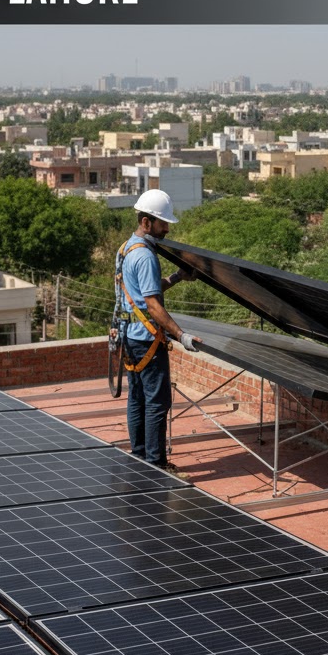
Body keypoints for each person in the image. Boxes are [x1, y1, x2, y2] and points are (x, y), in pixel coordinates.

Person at [115, 188, 202, 474]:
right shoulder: (146, 257)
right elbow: (152, 305)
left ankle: (140, 455)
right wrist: (181, 335)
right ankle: (156, 463)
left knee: (137, 398)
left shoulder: (127, 248)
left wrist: (177, 277)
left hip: (129, 337)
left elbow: (143, 293)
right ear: (145, 221)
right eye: (162, 223)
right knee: (157, 402)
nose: (166, 229)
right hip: (146, 340)